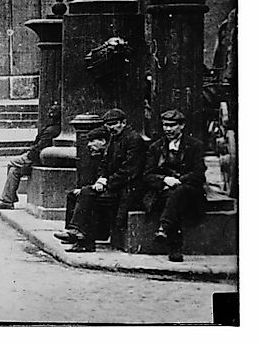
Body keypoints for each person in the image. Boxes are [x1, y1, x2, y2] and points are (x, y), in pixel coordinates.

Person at [57, 107, 145, 252]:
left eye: (114, 124)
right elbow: (104, 164)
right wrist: (101, 179)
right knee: (80, 194)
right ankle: (76, 236)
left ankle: (81, 238)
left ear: (123, 123)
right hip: (115, 186)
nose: (111, 128)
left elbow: (129, 170)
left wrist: (107, 183)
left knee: (87, 195)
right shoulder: (115, 139)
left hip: (128, 189)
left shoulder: (134, 140)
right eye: (108, 125)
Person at [140, 108, 208, 262]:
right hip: (162, 191)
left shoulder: (195, 145)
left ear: (182, 126)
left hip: (190, 192)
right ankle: (173, 246)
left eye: (172, 125)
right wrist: (165, 180)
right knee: (174, 196)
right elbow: (147, 175)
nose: (168, 129)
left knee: (178, 193)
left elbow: (199, 173)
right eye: (165, 125)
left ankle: (164, 228)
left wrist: (180, 180)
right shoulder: (156, 147)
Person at [0, 104, 62, 209]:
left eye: (52, 111)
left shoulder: (51, 130)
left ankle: (9, 199)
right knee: (14, 171)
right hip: (37, 157)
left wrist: (28, 154)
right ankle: (7, 201)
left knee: (11, 163)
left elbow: (39, 147)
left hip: (36, 158)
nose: (49, 112)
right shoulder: (52, 128)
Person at [61, 126, 114, 240]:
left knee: (86, 194)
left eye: (92, 141)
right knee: (73, 194)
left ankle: (77, 230)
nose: (89, 145)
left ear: (103, 141)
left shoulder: (109, 154)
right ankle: (71, 232)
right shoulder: (97, 156)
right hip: (103, 186)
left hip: (113, 187)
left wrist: (102, 183)